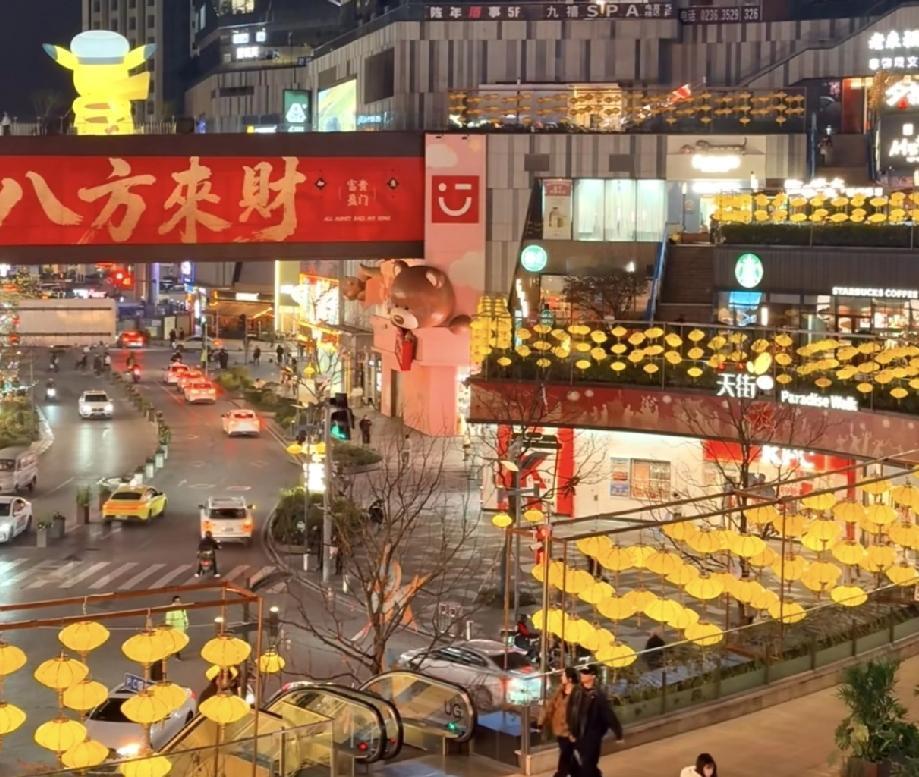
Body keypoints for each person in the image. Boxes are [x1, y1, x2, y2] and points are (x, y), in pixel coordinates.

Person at [567, 666, 623, 777]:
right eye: (582, 672)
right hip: (578, 735)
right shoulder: (577, 691)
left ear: (593, 676)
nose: (582, 675)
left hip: (592, 736)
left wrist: (618, 733)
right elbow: (570, 710)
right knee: (587, 764)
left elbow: (609, 715)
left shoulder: (598, 696)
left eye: (586, 673)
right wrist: (570, 730)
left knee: (587, 765)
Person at [539, 668, 579, 777]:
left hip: (570, 731)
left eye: (563, 676)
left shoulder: (578, 693)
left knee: (565, 757)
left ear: (570, 679)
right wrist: (541, 721)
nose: (561, 677)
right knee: (568, 755)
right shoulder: (560, 690)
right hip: (558, 729)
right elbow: (550, 706)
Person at [164, 595, 189, 659]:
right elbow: (168, 619)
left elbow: (185, 617)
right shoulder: (171, 609)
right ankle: (177, 655)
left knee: (179, 641)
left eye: (179, 601)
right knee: (177, 642)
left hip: (181, 628)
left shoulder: (182, 608)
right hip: (175, 629)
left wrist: (186, 624)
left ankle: (174, 652)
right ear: (174, 602)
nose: (179, 602)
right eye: (177, 601)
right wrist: (168, 628)